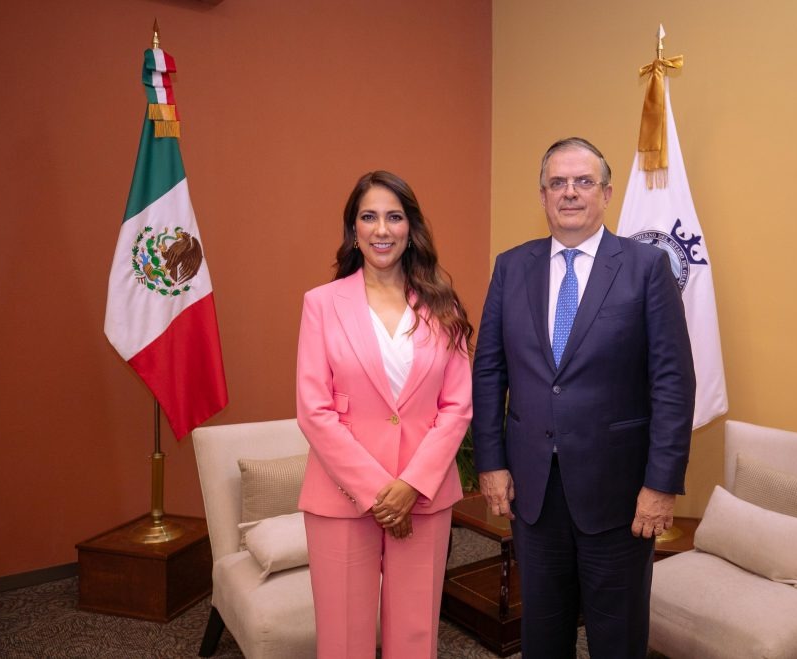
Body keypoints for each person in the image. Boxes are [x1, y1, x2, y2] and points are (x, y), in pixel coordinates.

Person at [471, 137, 695, 658]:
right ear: (543, 195)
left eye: (583, 182)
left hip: (620, 495)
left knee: (617, 638)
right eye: (558, 182)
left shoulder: (647, 267)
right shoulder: (511, 267)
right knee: (543, 634)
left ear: (606, 193)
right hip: (533, 490)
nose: (569, 192)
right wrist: (492, 462)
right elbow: (489, 371)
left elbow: (673, 382)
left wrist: (661, 484)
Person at [296, 170, 473, 658]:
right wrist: (379, 493)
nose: (381, 229)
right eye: (368, 217)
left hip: (423, 496)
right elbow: (314, 410)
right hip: (341, 497)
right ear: (353, 229)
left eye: (394, 217)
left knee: (416, 635)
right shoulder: (321, 304)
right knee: (343, 639)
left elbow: (457, 406)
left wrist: (411, 485)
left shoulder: (443, 305)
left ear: (410, 228)